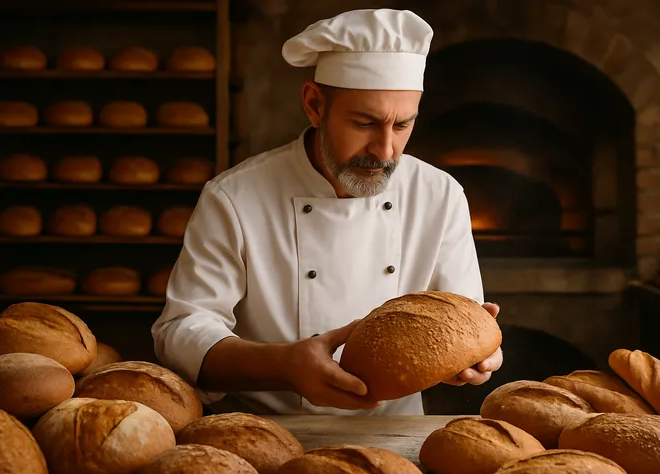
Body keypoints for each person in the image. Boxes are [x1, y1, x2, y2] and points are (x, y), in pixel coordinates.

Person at [151, 8, 503, 416]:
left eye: (403, 125)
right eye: (365, 123)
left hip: (395, 441)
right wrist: (283, 366)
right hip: (268, 434)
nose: (386, 151)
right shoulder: (234, 197)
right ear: (315, 105)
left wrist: (474, 358)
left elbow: (458, 319)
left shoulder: (440, 195)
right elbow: (180, 332)